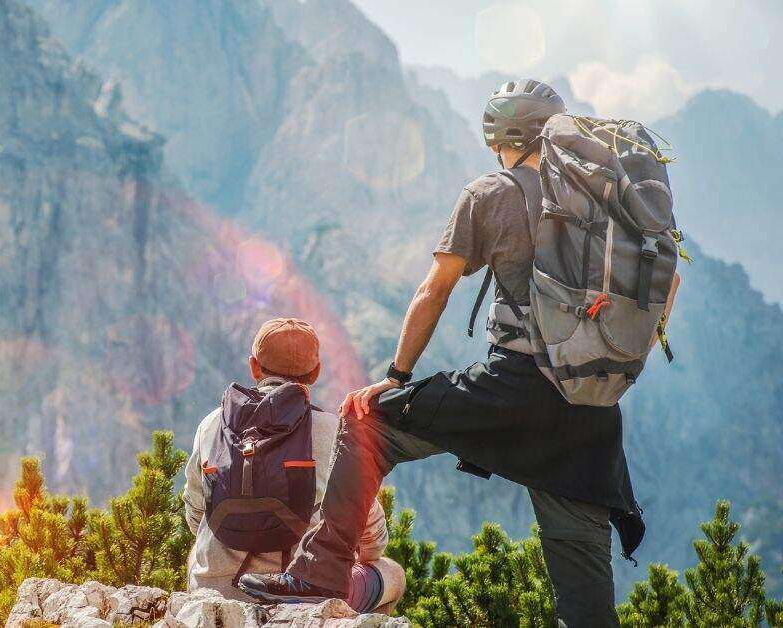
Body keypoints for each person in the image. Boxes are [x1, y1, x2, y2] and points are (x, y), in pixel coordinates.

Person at [238, 80, 681, 626]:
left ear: (501, 135)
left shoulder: (491, 193)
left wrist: (396, 375)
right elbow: (668, 282)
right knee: (586, 599)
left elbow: (435, 289)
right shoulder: (608, 203)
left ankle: (318, 575)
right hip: (590, 410)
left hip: (511, 388)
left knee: (368, 421)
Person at [182, 317, 406, 613]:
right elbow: (370, 535)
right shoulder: (335, 431)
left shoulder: (212, 425)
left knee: (196, 551)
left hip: (214, 593)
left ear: (254, 366)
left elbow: (196, 515)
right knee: (392, 573)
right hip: (299, 595)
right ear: (315, 373)